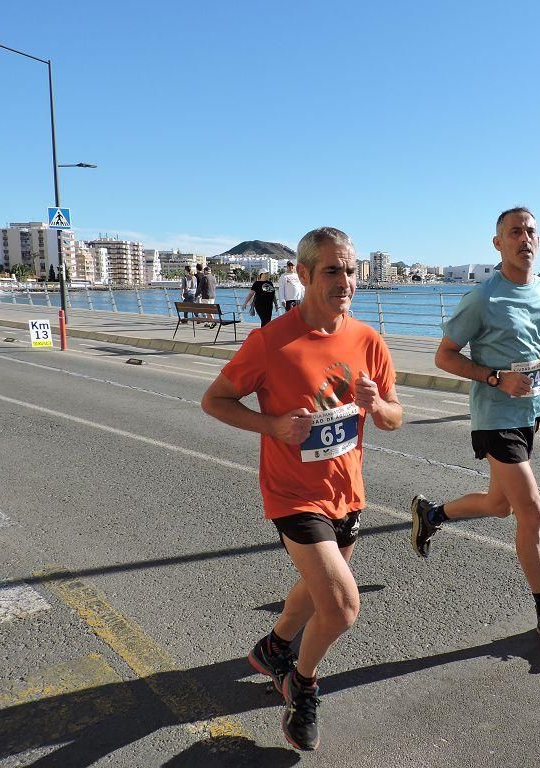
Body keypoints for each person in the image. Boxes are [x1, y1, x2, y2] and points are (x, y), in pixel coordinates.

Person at [201, 227, 402, 751]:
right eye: (333, 271)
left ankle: (274, 647)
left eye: (351, 270)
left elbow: (395, 417)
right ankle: (301, 683)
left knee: (316, 594)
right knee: (340, 607)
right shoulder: (271, 342)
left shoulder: (367, 340)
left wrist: (376, 404)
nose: (346, 281)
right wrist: (272, 426)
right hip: (293, 495)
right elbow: (215, 400)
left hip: (347, 493)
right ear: (305, 274)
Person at [410, 207, 540, 647]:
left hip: (531, 413)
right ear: (498, 243)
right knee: (532, 512)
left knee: (498, 506)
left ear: (538, 240)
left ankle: (431, 515)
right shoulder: (483, 297)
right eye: (514, 232)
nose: (524, 239)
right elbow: (445, 355)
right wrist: (495, 378)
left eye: (530, 232)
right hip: (494, 417)